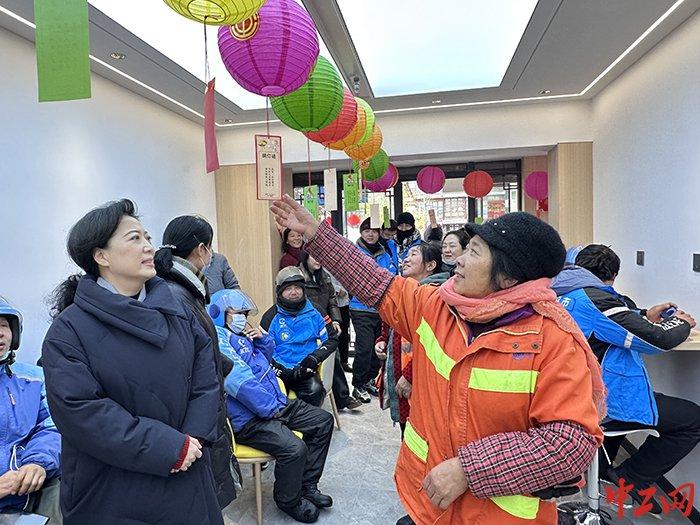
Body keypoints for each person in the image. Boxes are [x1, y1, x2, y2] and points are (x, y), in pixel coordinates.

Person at [271, 195, 605, 525]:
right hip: (426, 503)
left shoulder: (553, 341)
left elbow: (569, 443)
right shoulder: (438, 305)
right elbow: (377, 285)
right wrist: (317, 236)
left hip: (497, 516)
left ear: (509, 277)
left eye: (473, 252)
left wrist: (469, 470)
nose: (458, 259)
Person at [42, 199, 223, 524]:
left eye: (147, 237)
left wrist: (192, 442)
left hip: (189, 474)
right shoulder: (68, 331)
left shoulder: (176, 310)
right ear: (101, 256)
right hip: (111, 490)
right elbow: (82, 411)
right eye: (134, 238)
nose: (148, 247)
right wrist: (168, 447)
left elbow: (207, 378)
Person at [552, 244, 700, 514]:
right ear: (613, 275)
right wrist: (681, 322)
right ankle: (629, 479)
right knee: (692, 420)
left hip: (573, 395)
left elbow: (613, 320)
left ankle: (609, 472)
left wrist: (643, 315)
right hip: (601, 403)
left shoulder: (565, 293)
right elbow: (658, 340)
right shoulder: (595, 299)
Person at [208, 289, 334, 523]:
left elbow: (262, 365)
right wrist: (270, 409)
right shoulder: (218, 340)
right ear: (221, 313)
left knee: (323, 421)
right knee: (294, 449)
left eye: (245, 313)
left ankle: (307, 485)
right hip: (251, 420)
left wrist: (264, 341)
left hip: (274, 404)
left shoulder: (240, 336)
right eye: (238, 313)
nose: (243, 318)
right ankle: (289, 500)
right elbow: (239, 381)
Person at [153, 215, 238, 509]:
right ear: (202, 249)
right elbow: (184, 363)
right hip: (194, 420)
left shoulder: (183, 289)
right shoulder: (176, 295)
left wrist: (222, 365)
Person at [0, 298, 61, 523]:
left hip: (26, 505)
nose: (0, 333)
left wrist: (38, 463)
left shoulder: (35, 379)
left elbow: (52, 427)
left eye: (4, 325)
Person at [375, 243, 443, 435]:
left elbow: (433, 344)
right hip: (401, 374)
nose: (405, 259)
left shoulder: (435, 295)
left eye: (414, 254)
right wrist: (381, 340)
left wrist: (410, 375)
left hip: (418, 378)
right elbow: (389, 325)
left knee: (420, 431)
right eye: (406, 254)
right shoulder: (403, 290)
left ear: (430, 265)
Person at [261, 267, 338, 407]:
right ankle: (280, 427)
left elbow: (332, 339)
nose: (294, 292)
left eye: (297, 287)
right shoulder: (270, 317)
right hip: (279, 371)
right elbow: (262, 349)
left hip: (305, 370)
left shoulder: (316, 311)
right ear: (279, 292)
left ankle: (305, 425)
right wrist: (281, 370)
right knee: (264, 393)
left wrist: (313, 358)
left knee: (315, 391)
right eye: (288, 288)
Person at [299, 252, 362, 411]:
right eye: (314, 256)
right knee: (328, 353)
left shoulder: (324, 277)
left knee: (334, 354)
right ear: (306, 258)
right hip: (307, 326)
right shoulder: (298, 276)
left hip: (325, 323)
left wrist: (335, 320)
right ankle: (342, 398)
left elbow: (332, 301)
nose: (318, 259)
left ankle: (343, 398)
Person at [349, 218, 398, 403]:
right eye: (366, 230)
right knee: (364, 348)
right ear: (361, 232)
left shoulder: (384, 251)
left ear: (379, 233)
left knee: (378, 347)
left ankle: (370, 378)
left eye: (374, 231)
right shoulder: (355, 252)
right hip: (360, 308)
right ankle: (358, 384)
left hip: (381, 308)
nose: (370, 234)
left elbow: (391, 275)